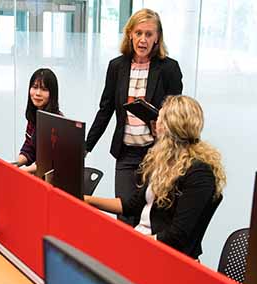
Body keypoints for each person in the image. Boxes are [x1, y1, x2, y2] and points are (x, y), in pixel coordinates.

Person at [85, 95, 225, 260]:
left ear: (168, 126)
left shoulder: (199, 173)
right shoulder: (163, 160)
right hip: (145, 244)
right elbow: (132, 206)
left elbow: (176, 236)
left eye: (159, 117)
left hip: (164, 257)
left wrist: (130, 244)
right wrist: (87, 200)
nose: (154, 121)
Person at [85, 9, 183, 224]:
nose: (143, 39)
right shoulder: (117, 67)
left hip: (156, 154)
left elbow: (176, 115)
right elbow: (105, 110)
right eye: (138, 33)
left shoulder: (169, 69)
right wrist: (85, 147)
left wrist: (162, 125)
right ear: (130, 34)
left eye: (149, 34)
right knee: (126, 217)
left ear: (157, 37)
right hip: (126, 154)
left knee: (152, 218)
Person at [14, 68, 61, 174]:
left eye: (44, 89)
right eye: (35, 87)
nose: (38, 93)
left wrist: (21, 170)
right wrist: (15, 164)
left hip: (55, 181)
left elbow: (48, 162)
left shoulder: (57, 122)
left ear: (52, 94)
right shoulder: (34, 116)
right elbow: (29, 148)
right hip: (38, 174)